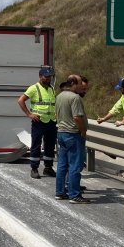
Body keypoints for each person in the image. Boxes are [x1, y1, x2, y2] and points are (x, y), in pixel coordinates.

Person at [54, 75, 90, 203]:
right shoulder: (75, 98)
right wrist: (83, 130)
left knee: (62, 165)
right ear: (74, 83)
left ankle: (59, 192)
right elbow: (77, 117)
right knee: (75, 165)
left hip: (61, 133)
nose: (82, 86)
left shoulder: (59, 96)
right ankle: (74, 195)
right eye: (80, 83)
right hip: (73, 134)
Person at [17, 67, 57, 179]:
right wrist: (29, 114)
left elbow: (52, 104)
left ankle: (48, 168)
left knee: (50, 145)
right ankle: (34, 168)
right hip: (38, 122)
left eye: (49, 77)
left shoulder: (52, 89)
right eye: (46, 77)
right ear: (40, 76)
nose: (48, 79)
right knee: (36, 145)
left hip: (51, 121)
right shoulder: (33, 88)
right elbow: (20, 100)